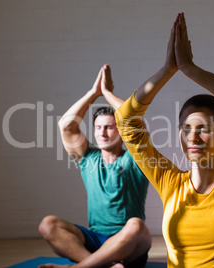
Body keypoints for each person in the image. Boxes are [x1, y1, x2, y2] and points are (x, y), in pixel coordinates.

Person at [115, 13, 214, 267]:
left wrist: (190, 70)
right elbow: (126, 121)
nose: (193, 137)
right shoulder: (170, 182)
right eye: (186, 128)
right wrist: (167, 70)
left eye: (204, 128)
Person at [38, 64, 151, 268]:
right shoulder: (89, 157)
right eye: (98, 127)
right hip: (94, 241)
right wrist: (93, 93)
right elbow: (66, 125)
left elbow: (136, 122)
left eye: (109, 127)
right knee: (48, 224)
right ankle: (102, 265)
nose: (102, 133)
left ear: (121, 132)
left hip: (128, 243)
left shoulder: (135, 158)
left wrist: (108, 93)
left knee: (137, 226)